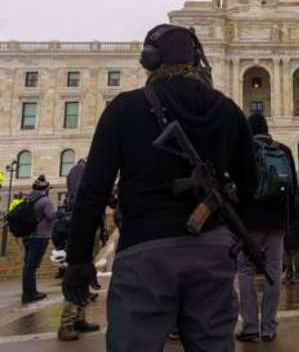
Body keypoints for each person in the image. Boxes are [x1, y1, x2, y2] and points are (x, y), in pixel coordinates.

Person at [63, 24, 258, 352]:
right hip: (211, 251)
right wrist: (221, 218)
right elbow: (250, 185)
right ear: (198, 60)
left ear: (149, 61)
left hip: (145, 250)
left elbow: (93, 191)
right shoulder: (228, 110)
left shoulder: (124, 108)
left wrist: (79, 259)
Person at [237, 112, 297, 343]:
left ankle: (250, 326)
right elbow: (292, 189)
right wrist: (289, 221)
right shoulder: (284, 150)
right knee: (274, 272)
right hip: (277, 221)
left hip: (249, 221)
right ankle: (269, 327)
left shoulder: (245, 150)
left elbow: (237, 187)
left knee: (245, 271)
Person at [56, 159, 100, 341]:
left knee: (83, 272)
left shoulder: (76, 171)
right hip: (81, 228)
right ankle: (66, 323)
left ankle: (78, 318)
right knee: (77, 274)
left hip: (81, 226)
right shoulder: (83, 172)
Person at [21, 175, 56, 303]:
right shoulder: (45, 200)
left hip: (28, 236)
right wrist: (60, 212)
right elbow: (51, 216)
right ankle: (30, 293)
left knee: (28, 265)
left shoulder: (29, 198)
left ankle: (28, 291)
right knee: (32, 266)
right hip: (40, 236)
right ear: (45, 189)